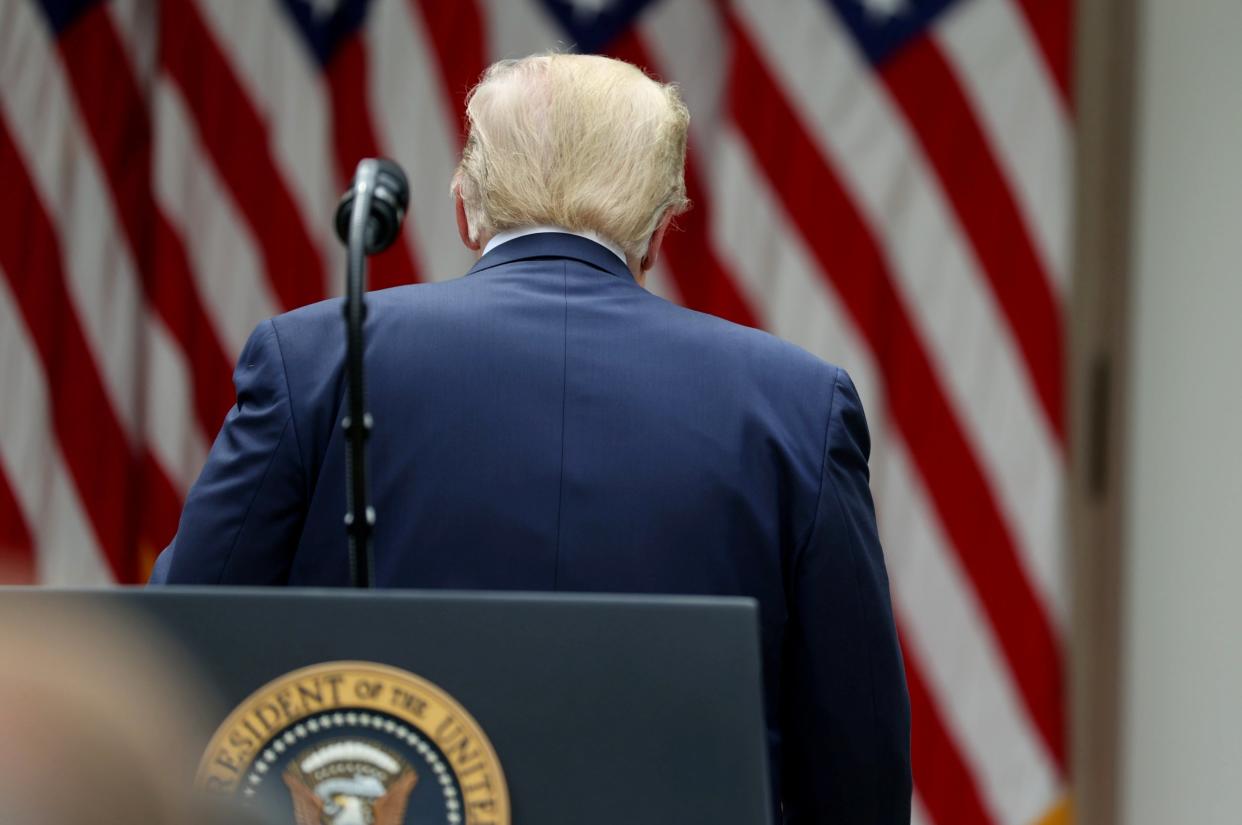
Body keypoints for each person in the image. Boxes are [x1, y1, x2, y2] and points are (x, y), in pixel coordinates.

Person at [151, 53, 911, 823]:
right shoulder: (798, 404)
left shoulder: (312, 360)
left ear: (463, 208)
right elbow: (859, 766)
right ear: (656, 228)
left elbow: (167, 652)